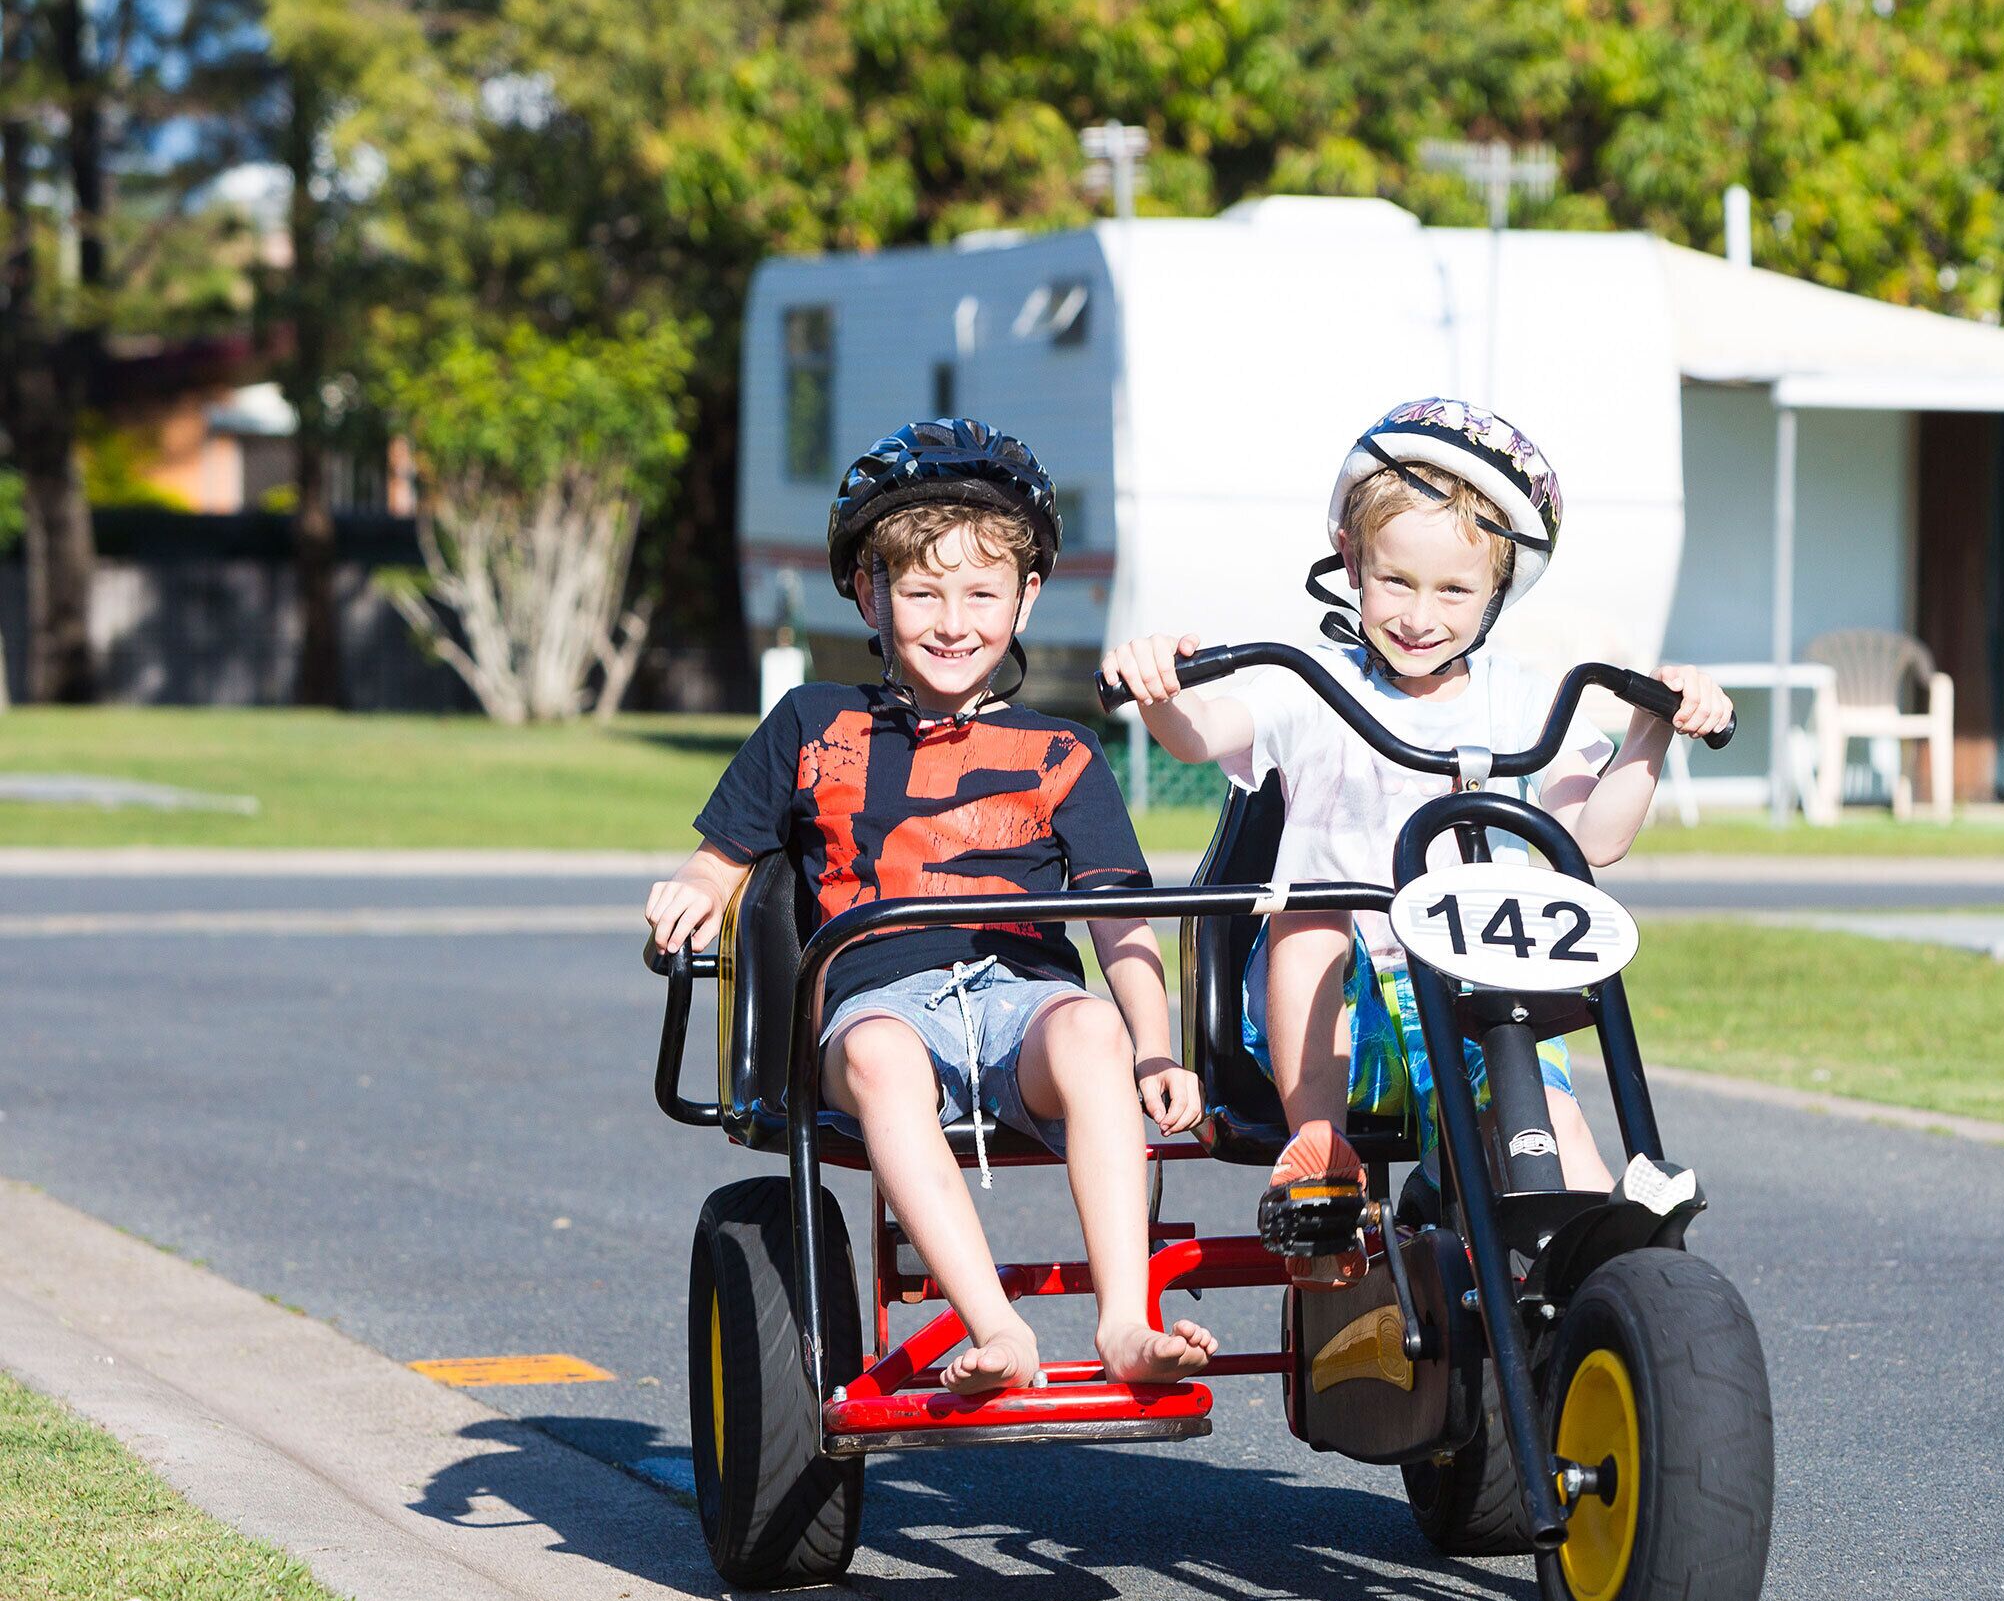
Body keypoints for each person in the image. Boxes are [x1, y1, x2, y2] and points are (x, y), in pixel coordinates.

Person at [646, 419, 1215, 1394]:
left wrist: (1153, 1047)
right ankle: (997, 1332)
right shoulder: (813, 724)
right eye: (922, 592)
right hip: (876, 1005)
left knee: (1088, 1032)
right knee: (878, 1053)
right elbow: (722, 858)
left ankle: (1126, 1321)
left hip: (1021, 1001)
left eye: (982, 594)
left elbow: (1121, 923)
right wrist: (692, 892)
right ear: (871, 594)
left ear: (1027, 597)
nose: (954, 622)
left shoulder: (1061, 753)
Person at [1100, 397, 1732, 1254]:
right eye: (1397, 581)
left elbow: (1591, 839)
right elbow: (1205, 733)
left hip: (1477, 995)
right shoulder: (1313, 682)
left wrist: (1653, 727)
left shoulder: (1522, 699)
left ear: (1497, 592)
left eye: (1454, 590)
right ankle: (1317, 1150)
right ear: (1352, 562)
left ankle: (1594, 1277)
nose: (1419, 614)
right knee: (1314, 908)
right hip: (1338, 1015)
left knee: (1562, 1142)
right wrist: (1161, 691)